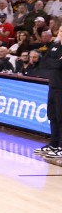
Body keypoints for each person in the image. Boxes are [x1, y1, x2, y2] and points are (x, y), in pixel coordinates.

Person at [34, 30, 62, 159]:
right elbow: (44, 61)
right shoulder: (55, 45)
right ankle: (54, 144)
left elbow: (59, 64)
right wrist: (55, 62)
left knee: (61, 117)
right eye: (60, 30)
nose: (61, 33)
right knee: (53, 116)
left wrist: (54, 63)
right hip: (53, 85)